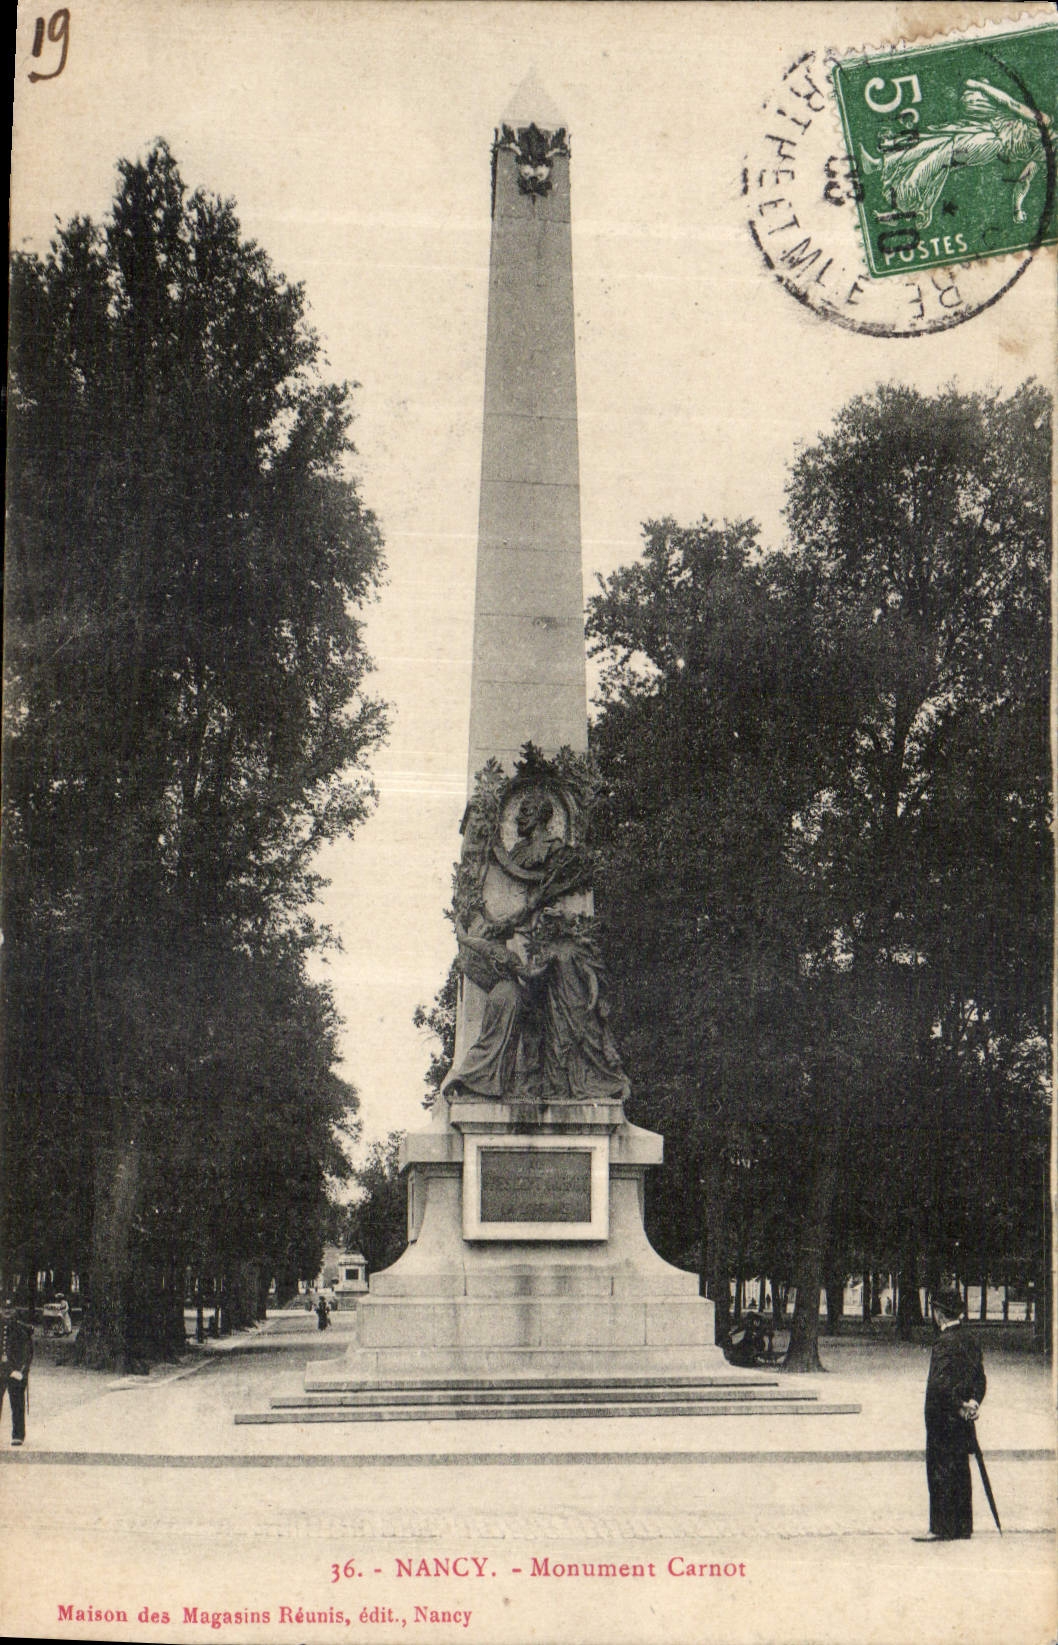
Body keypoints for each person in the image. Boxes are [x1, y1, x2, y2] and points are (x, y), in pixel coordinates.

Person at [921, 1288, 986, 1540]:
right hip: (964, 1418)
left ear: (938, 1314)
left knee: (940, 1470)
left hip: (942, 1417)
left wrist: (958, 1404)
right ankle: (962, 1526)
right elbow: (980, 1378)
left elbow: (939, 1385)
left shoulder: (943, 1343)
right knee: (961, 1468)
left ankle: (941, 1527)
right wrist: (973, 1403)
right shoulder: (970, 1339)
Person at [0, 1297, 34, 1447]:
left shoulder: (21, 1329)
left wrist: (22, 1371)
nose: (7, 1312)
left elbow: (27, 1353)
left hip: (15, 1372)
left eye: (10, 1309)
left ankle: (18, 1435)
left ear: (14, 1311)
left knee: (17, 1404)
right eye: (3, 1309)